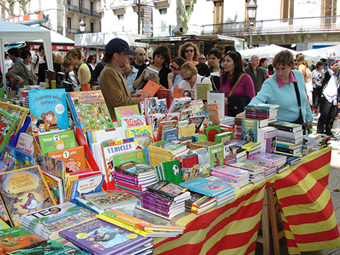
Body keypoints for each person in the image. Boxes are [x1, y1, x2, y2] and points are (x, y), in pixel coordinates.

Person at [247, 50, 313, 130]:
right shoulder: (270, 83)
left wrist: (309, 118)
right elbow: (259, 99)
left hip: (300, 124)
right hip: (281, 128)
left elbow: (304, 98)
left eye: (283, 68)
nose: (280, 72)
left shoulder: (298, 75)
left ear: (291, 66)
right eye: (277, 69)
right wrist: (247, 111)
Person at [99, 38, 150, 120]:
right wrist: (139, 100)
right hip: (116, 120)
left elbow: (118, 96)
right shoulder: (109, 72)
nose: (129, 56)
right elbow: (117, 101)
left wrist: (133, 96)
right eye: (126, 54)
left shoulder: (113, 70)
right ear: (116, 56)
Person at [220, 50, 255, 116]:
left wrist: (231, 100)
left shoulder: (246, 78)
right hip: (224, 114)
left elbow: (251, 98)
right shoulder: (223, 77)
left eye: (228, 61)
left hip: (239, 114)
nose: (224, 63)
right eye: (224, 61)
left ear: (236, 63)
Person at [317, 59, 339, 136]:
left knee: (332, 116)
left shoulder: (336, 75)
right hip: (326, 97)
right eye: (335, 65)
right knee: (324, 115)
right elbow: (322, 82)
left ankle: (328, 131)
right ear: (331, 66)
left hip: (334, 98)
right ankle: (320, 131)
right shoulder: (327, 73)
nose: (337, 66)